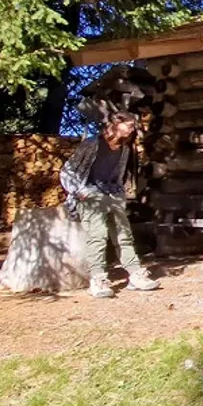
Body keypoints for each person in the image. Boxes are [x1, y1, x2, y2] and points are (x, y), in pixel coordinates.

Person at [60, 110, 161, 299]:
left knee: (124, 235)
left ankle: (135, 275)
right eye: (129, 125)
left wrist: (119, 195)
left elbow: (118, 176)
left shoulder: (125, 149)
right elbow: (68, 171)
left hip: (112, 195)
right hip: (89, 196)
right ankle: (98, 279)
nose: (132, 130)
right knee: (97, 236)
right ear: (115, 124)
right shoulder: (92, 144)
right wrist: (79, 191)